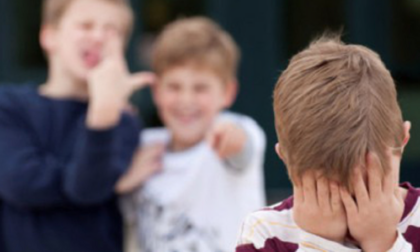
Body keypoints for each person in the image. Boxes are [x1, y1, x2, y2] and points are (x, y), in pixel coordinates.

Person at [235, 36, 419, 252]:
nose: (353, 205)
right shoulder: (264, 232)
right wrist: (319, 243)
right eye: (330, 187)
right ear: (285, 157)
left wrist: (383, 243)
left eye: (367, 181)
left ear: (402, 140)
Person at [0, 0, 155, 251]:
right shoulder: (9, 106)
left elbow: (86, 189)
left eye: (111, 30)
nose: (98, 37)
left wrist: (104, 111)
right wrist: (109, 182)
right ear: (49, 36)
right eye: (85, 25)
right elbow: (19, 183)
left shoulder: (123, 122)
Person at [117, 17, 266, 252]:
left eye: (200, 88)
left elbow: (242, 147)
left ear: (227, 92)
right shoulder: (144, 147)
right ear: (156, 91)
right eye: (174, 87)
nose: (186, 100)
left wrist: (230, 138)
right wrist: (121, 181)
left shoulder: (234, 129)